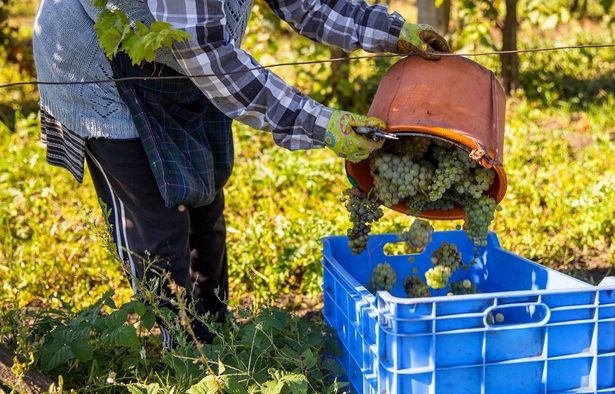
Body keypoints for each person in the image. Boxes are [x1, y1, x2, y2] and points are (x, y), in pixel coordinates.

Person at [32, 0, 449, 344]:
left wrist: (387, 31)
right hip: (102, 71)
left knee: (206, 201)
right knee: (155, 222)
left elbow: (309, 4)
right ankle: (180, 347)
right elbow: (217, 65)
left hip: (183, 64)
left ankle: (214, 330)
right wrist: (319, 123)